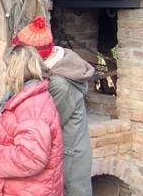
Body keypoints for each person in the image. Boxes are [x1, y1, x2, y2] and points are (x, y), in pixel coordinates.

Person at [12, 15, 94, 196]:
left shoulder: (61, 84)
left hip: (69, 157)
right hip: (62, 151)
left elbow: (45, 126)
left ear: (33, 57)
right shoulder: (53, 69)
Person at [0, 45, 63, 196]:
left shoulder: (33, 109)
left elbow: (30, 158)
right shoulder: (24, 98)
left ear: (15, 71)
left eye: (6, 68)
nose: (4, 73)